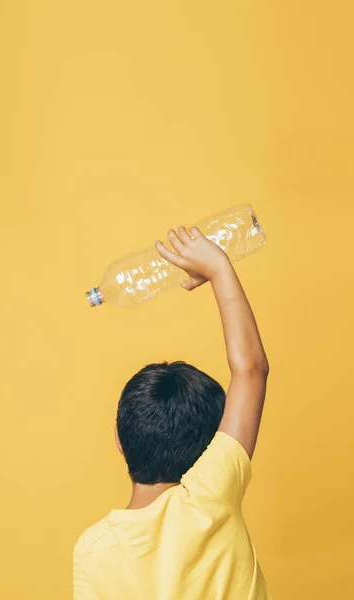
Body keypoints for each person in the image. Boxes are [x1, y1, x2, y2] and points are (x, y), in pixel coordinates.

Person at [73, 225, 272, 599]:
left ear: (119, 438)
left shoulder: (93, 549)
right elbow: (251, 370)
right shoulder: (211, 495)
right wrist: (219, 269)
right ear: (211, 445)